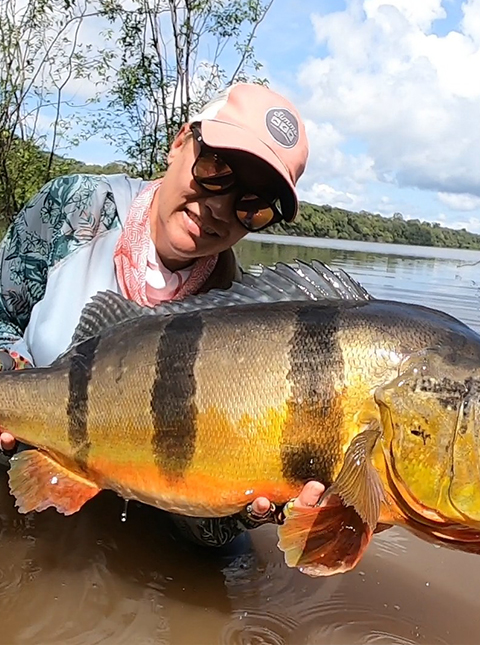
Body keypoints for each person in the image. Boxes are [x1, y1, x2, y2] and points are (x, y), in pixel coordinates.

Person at [0, 82, 324, 546]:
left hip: (146, 503)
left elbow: (203, 523)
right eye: (216, 170)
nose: (218, 207)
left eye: (251, 208)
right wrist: (10, 370)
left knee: (227, 559)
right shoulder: (73, 210)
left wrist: (246, 508)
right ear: (179, 144)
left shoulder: (240, 311)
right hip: (27, 449)